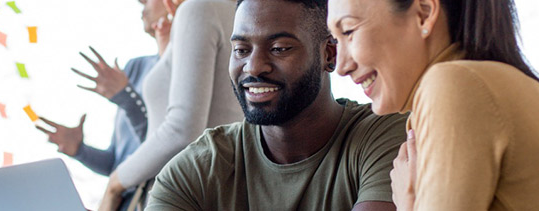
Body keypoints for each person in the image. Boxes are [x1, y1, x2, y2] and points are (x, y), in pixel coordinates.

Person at [326, 0, 539, 210]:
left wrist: (408, 204)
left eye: (349, 31)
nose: (340, 66)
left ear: (423, 14)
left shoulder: (455, 84)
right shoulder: (474, 84)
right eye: (336, 40)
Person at [146, 0, 410, 210]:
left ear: (330, 54)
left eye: (280, 48)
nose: (254, 67)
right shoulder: (196, 169)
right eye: (241, 49)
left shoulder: (385, 135)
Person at [95, 0, 245, 209]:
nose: (141, 3)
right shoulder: (239, 11)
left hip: (181, 196)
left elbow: (181, 130)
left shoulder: (198, 8)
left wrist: (115, 182)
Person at [34, 1, 169, 210]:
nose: (141, 3)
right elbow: (115, 163)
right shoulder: (135, 67)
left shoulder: (176, 73)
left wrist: (126, 98)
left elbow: (163, 146)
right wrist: (80, 150)